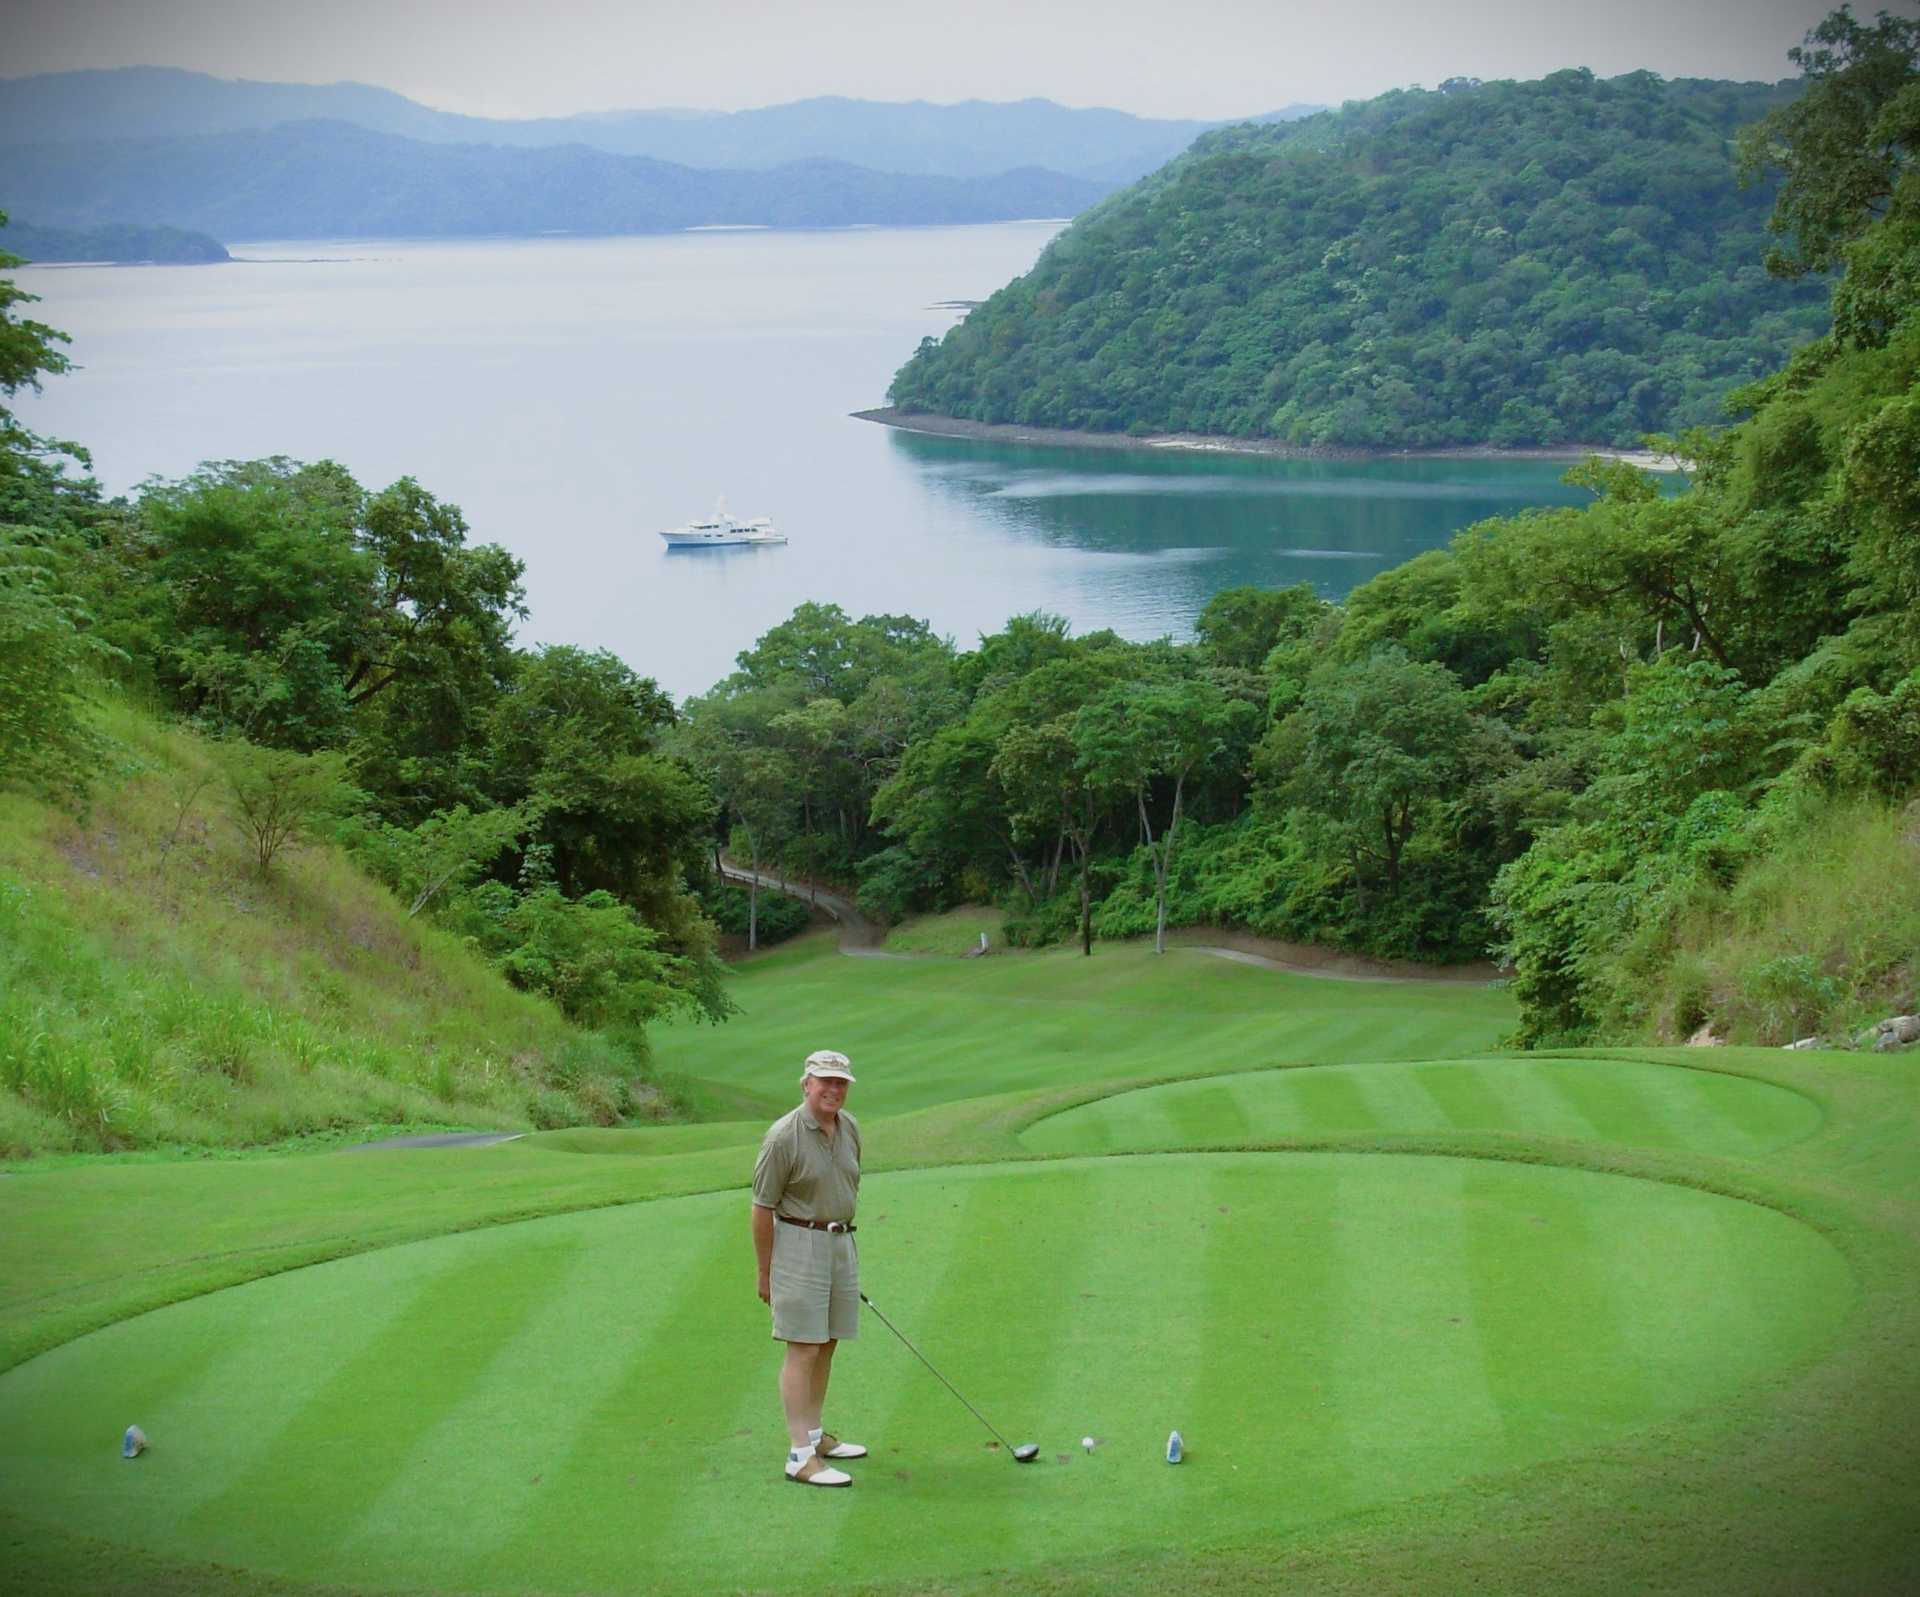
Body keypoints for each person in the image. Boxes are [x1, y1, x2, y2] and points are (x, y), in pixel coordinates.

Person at [752, 1048, 868, 1487]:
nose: (833, 1089)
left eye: (841, 1083)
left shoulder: (849, 1128)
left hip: (841, 1241)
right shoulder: (784, 1136)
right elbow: (761, 1207)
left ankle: (816, 1436)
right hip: (798, 1244)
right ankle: (800, 1455)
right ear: (806, 1084)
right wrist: (766, 1272)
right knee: (803, 1346)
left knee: (829, 1340)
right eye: (825, 1081)